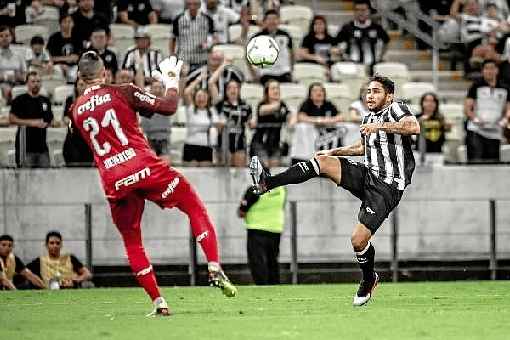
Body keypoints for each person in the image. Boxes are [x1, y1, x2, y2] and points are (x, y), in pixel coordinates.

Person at [70, 51, 237, 316]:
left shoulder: (75, 110)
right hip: (144, 167)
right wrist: (171, 81)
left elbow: (78, 141)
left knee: (133, 241)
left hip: (114, 180)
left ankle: (159, 302)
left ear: (80, 77)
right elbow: (168, 107)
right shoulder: (122, 91)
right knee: (193, 206)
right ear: (105, 74)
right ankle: (214, 265)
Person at [249, 75, 420, 306]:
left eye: (376, 91)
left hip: (388, 186)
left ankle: (369, 278)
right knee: (322, 162)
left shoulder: (396, 109)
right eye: (368, 91)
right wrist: (332, 153)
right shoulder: (369, 117)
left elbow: (413, 127)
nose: (370, 95)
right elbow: (362, 148)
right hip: (368, 174)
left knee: (358, 241)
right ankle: (266, 183)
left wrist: (379, 125)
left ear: (389, 96)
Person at [238, 183, 286, 285]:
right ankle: (274, 286)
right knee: (272, 261)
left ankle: (262, 286)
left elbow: (242, 212)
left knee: (257, 261)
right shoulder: (280, 188)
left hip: (256, 229)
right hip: (275, 229)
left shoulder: (255, 189)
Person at [464, 59, 510, 163]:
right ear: (482, 71)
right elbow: (467, 108)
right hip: (477, 130)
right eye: (486, 69)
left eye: (492, 68)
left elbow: (508, 108)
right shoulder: (475, 86)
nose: (489, 71)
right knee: (476, 162)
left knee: (492, 163)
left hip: (495, 131)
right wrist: (475, 118)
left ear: (497, 70)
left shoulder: (505, 88)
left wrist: (505, 119)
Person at [290, 82, 343, 165]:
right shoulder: (306, 104)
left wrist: (327, 121)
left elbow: (340, 117)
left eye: (321, 91)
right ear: (310, 95)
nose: (319, 93)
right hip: (309, 141)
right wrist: (318, 120)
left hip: (326, 138)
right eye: (315, 91)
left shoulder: (329, 104)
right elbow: (301, 117)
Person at [9, 71, 53, 168]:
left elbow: (49, 119)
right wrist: (32, 123)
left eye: (38, 81)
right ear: (27, 83)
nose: (36, 84)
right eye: (33, 81)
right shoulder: (19, 100)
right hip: (25, 147)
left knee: (46, 177)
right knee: (26, 177)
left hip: (42, 147)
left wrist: (46, 123)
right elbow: (12, 119)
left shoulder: (45, 100)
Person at [336, 0, 390, 72]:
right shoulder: (347, 27)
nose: (360, 13)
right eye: (357, 10)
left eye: (363, 10)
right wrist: (343, 56)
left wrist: (381, 56)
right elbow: (337, 44)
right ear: (354, 11)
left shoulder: (376, 27)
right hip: (353, 68)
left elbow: (386, 41)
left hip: (372, 68)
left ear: (369, 11)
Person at [27, 231, 92, 289]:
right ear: (46, 245)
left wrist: (76, 280)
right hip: (49, 294)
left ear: (61, 245)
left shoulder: (70, 258)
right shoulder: (39, 261)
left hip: (70, 292)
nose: (55, 246)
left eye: (58, 243)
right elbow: (25, 272)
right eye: (52, 243)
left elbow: (88, 274)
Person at [182, 73, 222, 166]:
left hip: (206, 146)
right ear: (195, 98)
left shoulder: (212, 111)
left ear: (208, 98)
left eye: (204, 96)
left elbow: (217, 125)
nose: (201, 99)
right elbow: (187, 92)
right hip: (191, 145)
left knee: (206, 174)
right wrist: (199, 79)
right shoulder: (191, 109)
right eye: (199, 96)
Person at [249, 79, 290, 167]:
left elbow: (290, 117)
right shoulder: (262, 104)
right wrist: (279, 105)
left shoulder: (283, 105)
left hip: (276, 143)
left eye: (277, 88)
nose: (276, 91)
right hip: (260, 142)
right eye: (273, 89)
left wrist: (292, 118)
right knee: (264, 167)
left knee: (275, 168)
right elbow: (262, 111)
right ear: (267, 92)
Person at [170, 0, 217, 73]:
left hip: (203, 59)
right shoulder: (178, 19)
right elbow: (173, 39)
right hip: (184, 59)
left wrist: (208, 44)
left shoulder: (208, 19)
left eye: (195, 4)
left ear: (199, 5)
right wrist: (172, 56)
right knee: (183, 79)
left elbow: (213, 38)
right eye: (189, 4)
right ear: (186, 5)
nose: (192, 7)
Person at [249, 9, 293, 85]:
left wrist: (291, 69)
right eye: (269, 19)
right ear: (265, 21)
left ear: (279, 21)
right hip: (266, 72)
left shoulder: (286, 35)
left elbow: (292, 54)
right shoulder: (257, 37)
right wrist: (254, 74)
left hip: (283, 71)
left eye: (274, 19)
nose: (272, 22)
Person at [63, 78, 94, 167]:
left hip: (88, 142)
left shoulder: (93, 100)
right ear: (76, 87)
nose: (83, 87)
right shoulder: (70, 100)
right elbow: (65, 119)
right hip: (72, 141)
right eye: (80, 85)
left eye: (85, 85)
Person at [140, 80, 171, 164]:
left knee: (164, 165)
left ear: (164, 90)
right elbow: (140, 86)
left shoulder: (167, 103)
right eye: (155, 88)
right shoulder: (144, 103)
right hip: (149, 139)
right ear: (150, 90)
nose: (157, 90)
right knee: (150, 164)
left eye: (160, 88)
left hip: (164, 139)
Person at [47, 14, 80, 83]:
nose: (67, 24)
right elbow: (50, 57)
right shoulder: (54, 38)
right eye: (65, 22)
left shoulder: (77, 37)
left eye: (69, 22)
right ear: (60, 24)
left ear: (73, 24)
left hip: (74, 66)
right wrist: (66, 59)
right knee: (57, 70)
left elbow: (78, 57)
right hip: (58, 66)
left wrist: (73, 59)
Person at [0, 26, 26, 103]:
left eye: (7, 36)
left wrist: (20, 77)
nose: (4, 38)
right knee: (6, 89)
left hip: (18, 82)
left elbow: (25, 73)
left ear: (12, 37)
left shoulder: (19, 53)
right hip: (2, 84)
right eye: (1, 36)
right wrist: (6, 77)